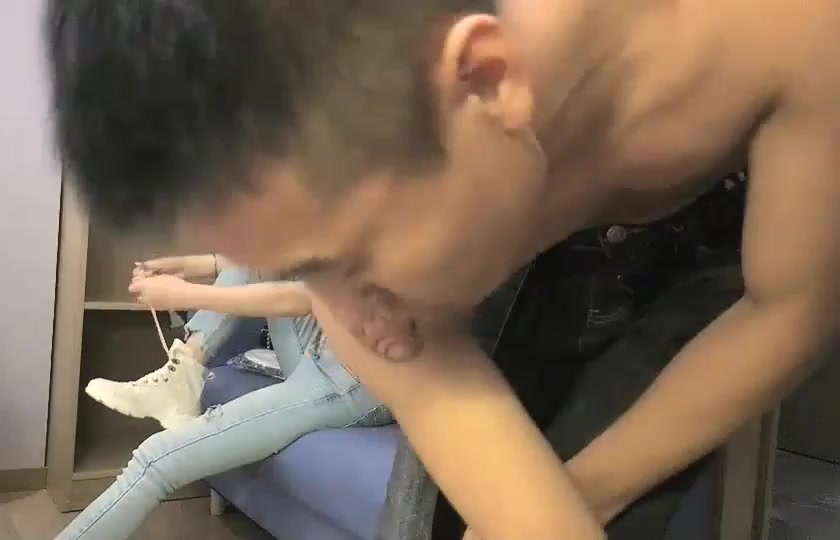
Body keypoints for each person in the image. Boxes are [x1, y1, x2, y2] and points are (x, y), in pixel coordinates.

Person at [46, 1, 840, 539]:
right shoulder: (387, 190)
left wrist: (589, 491)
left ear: (485, 78)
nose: (344, 317)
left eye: (338, 260)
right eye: (304, 269)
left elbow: (789, 307)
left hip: (704, 240)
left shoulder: (784, 33)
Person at [57, 260, 393, 540]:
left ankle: (181, 384)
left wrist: (184, 293)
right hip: (321, 345)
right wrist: (189, 265)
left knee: (156, 460)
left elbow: (308, 297)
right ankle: (184, 373)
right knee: (258, 250)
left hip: (351, 380)